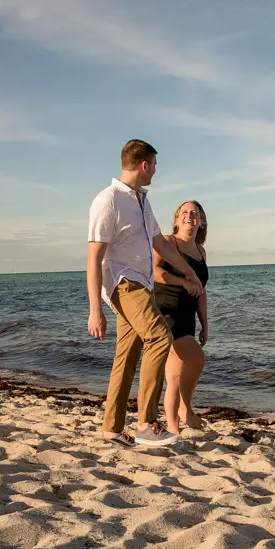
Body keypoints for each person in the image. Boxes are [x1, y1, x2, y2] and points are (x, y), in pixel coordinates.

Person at [87, 139, 204, 448]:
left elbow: (161, 245)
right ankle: (146, 422)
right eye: (154, 165)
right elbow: (93, 256)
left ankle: (112, 428)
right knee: (160, 337)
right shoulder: (108, 200)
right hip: (123, 283)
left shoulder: (141, 200)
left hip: (142, 284)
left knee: (127, 357)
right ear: (145, 164)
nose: (155, 170)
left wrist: (188, 271)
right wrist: (94, 309)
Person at [153, 200, 210, 434]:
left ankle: (174, 429)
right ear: (176, 220)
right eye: (184, 213)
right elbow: (154, 271)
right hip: (166, 313)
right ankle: (185, 410)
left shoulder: (200, 251)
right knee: (197, 358)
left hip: (188, 317)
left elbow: (202, 291)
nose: (190, 216)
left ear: (202, 221)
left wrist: (205, 325)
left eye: (194, 213)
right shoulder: (168, 242)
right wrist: (183, 281)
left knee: (175, 376)